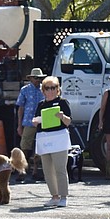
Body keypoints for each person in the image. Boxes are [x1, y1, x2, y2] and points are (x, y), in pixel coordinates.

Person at [32, 76, 72, 207]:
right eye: (47, 88)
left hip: (59, 138)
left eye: (53, 88)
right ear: (43, 90)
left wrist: (62, 116)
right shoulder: (41, 105)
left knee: (60, 168)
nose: (50, 91)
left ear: (58, 89)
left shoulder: (63, 102)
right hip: (44, 139)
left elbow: (68, 122)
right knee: (47, 170)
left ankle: (63, 196)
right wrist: (35, 121)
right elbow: (36, 121)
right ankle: (54, 196)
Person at [16, 67, 46, 179]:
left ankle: (35, 170)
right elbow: (21, 108)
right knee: (24, 146)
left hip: (41, 121)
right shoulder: (25, 90)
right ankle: (21, 170)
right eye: (36, 78)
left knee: (39, 147)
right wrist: (19, 125)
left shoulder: (44, 89)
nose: (38, 80)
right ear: (31, 78)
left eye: (39, 78)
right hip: (28, 121)